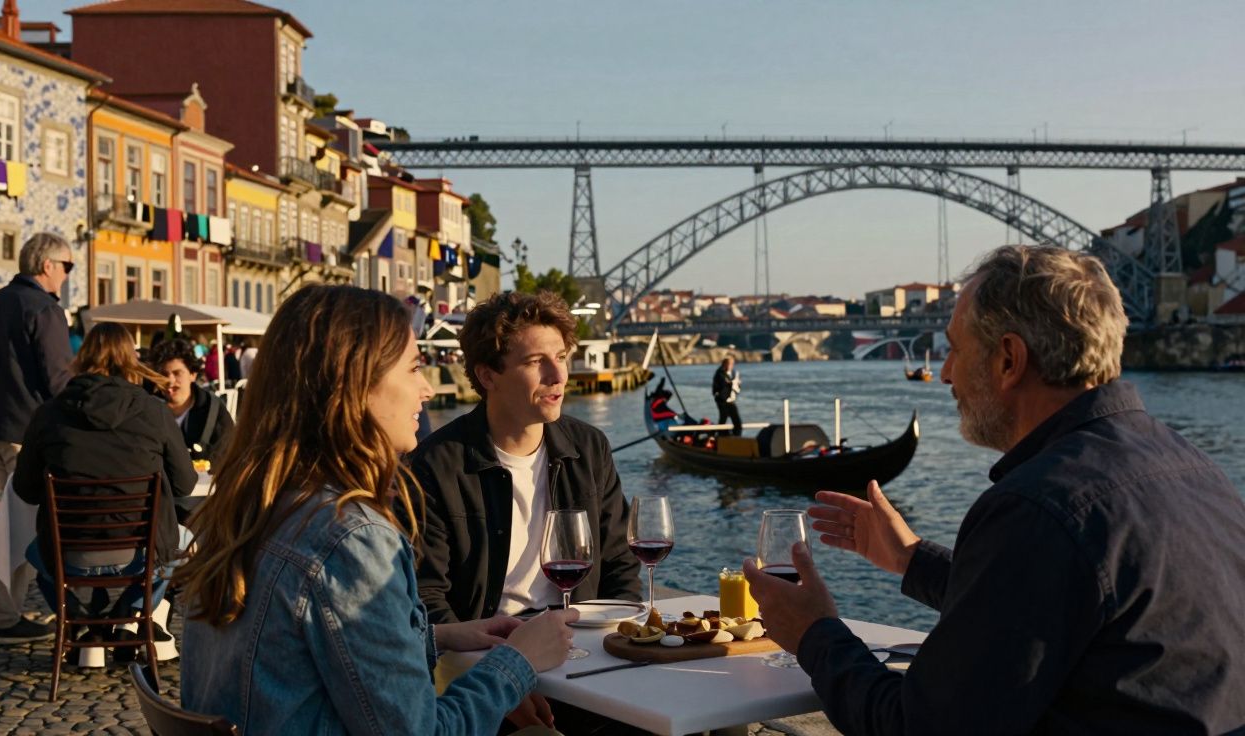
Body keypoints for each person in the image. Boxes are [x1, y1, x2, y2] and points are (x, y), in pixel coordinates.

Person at [745, 245, 1245, 734]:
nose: (944, 373)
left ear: (1009, 360)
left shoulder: (1040, 507)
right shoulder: (1194, 469)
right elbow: (1045, 609)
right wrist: (913, 559)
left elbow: (920, 727)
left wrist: (815, 632)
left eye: (955, 349)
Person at [176, 285, 578, 734]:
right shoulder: (349, 538)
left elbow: (316, 647)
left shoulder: (249, 508)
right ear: (354, 387)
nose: (426, 390)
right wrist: (518, 661)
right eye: (413, 369)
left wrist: (437, 636)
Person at [411, 291, 640, 734]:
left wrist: (620, 657)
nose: (558, 376)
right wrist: (503, 678)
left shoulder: (588, 448)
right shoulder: (436, 465)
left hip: (588, 654)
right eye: (536, 361)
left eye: (560, 356)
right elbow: (427, 601)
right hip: (485, 662)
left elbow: (621, 568)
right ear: (487, 375)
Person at [13, 323, 196, 649]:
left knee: (34, 555)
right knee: (185, 545)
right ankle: (130, 615)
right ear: (131, 360)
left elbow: (25, 490)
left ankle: (85, 622)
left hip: (69, 551)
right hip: (141, 551)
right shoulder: (154, 411)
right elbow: (185, 484)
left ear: (81, 358)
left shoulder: (49, 414)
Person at [0, 232, 75, 646]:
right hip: (26, 433)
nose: (67, 276)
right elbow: (58, 378)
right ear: (47, 266)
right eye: (67, 266)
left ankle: (9, 615)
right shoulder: (45, 310)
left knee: (17, 521)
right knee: (24, 526)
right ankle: (6, 619)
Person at [146, 339, 234, 466]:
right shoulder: (148, 409)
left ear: (193, 374)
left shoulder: (212, 410)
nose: (170, 381)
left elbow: (228, 455)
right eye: (164, 374)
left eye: (177, 373)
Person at [712, 356, 742, 436]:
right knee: (724, 419)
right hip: (723, 400)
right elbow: (722, 385)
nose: (731, 366)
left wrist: (737, 383)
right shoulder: (720, 373)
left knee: (735, 421)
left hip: (730, 400)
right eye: (730, 364)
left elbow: (735, 387)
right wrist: (732, 383)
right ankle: (722, 437)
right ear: (724, 364)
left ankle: (734, 436)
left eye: (732, 364)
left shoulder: (731, 373)